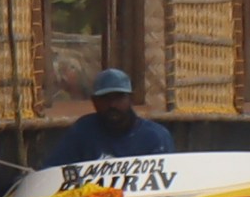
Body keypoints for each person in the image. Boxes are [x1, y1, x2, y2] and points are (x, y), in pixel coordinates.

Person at [44, 66, 173, 166]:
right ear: (94, 101)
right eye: (105, 99)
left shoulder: (155, 137)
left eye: (118, 98)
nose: (112, 105)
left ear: (131, 99)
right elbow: (52, 171)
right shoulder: (83, 131)